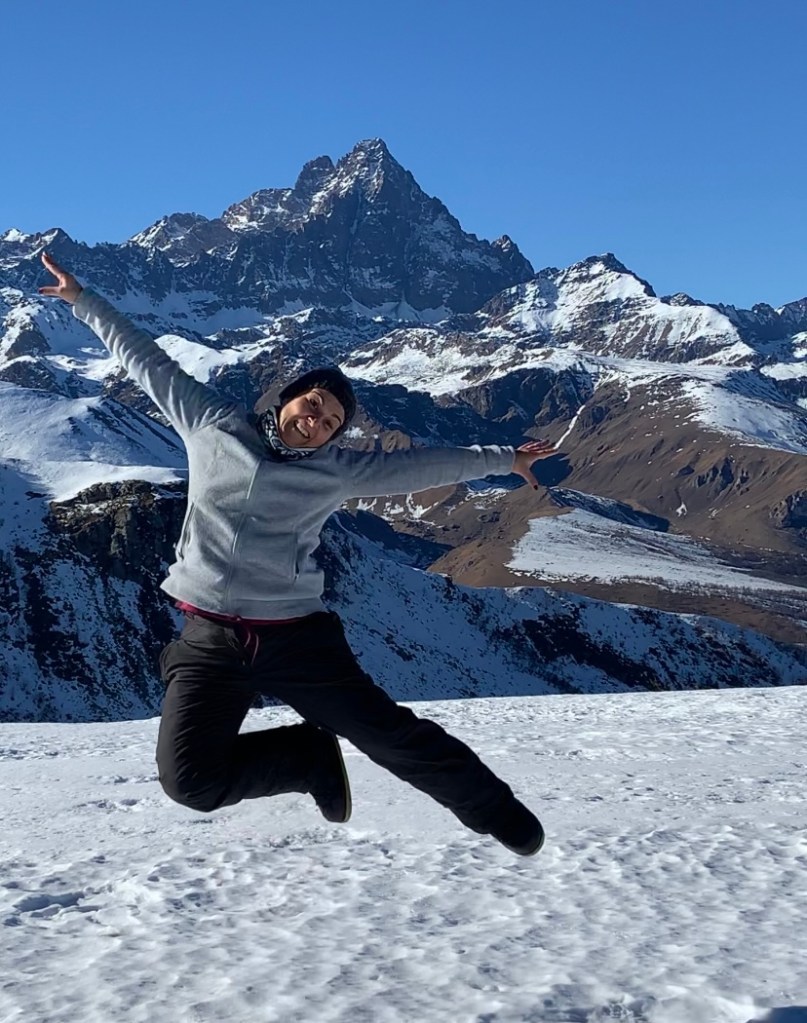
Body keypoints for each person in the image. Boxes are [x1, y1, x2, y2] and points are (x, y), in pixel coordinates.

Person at [40, 251, 556, 856]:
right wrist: (82, 301)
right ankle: (304, 757)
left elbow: (422, 466)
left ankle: (497, 812)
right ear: (286, 400)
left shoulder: (337, 472)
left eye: (332, 421)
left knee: (387, 735)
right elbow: (148, 361)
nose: (317, 422)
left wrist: (505, 459)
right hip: (209, 641)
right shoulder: (211, 425)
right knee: (191, 782)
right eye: (313, 404)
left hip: (296, 639)